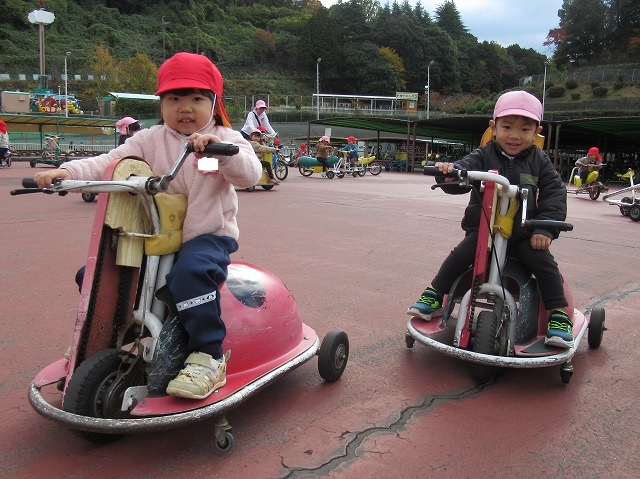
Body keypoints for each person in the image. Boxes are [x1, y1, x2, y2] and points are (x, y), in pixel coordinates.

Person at [34, 52, 262, 399]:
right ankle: (101, 339)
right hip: (152, 235)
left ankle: (208, 356)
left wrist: (219, 152)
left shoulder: (224, 137)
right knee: (95, 275)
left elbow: (250, 174)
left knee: (190, 275)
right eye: (174, 99)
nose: (185, 108)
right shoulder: (149, 140)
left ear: (214, 103)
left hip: (206, 235)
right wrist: (67, 172)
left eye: (196, 99)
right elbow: (110, 163)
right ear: (161, 104)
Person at [406, 90, 574, 349]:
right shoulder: (484, 155)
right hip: (484, 230)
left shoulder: (539, 161)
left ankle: (559, 313)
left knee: (545, 265)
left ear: (536, 132)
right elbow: (463, 171)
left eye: (524, 129)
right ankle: (436, 293)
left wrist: (543, 229)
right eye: (507, 127)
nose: (515, 136)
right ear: (494, 127)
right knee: (460, 255)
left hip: (523, 234)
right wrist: (450, 173)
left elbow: (554, 193)